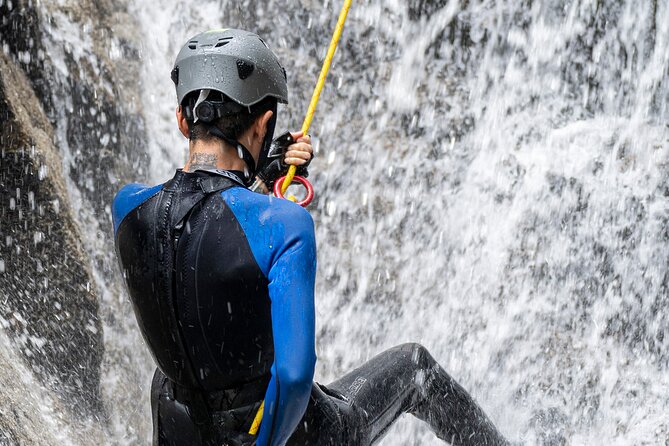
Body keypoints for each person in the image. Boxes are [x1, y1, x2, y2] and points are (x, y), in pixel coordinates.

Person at [113, 29, 510, 446]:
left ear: (182, 120)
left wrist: (264, 174)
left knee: (174, 366)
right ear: (264, 124)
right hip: (282, 434)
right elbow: (294, 376)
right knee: (416, 369)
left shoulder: (128, 209)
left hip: (181, 429)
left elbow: (199, 233)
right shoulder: (283, 224)